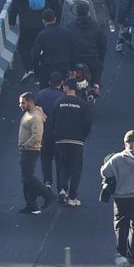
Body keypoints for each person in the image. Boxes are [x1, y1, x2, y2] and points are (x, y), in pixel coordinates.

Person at [100, 130, 134, 267]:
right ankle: (133, 253)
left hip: (121, 198)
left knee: (120, 226)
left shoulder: (117, 158)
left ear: (125, 143)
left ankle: (121, 253)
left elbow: (104, 172)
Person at [51, 76, 93, 206]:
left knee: (63, 166)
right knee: (76, 169)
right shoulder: (83, 104)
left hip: (60, 139)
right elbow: (87, 123)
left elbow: (53, 121)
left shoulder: (59, 102)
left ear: (66, 87)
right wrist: (83, 135)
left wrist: (55, 135)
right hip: (77, 140)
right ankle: (72, 197)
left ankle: (63, 189)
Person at [17, 92, 56, 213]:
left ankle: (47, 194)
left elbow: (37, 136)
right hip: (27, 150)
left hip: (30, 150)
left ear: (30, 102)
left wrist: (25, 145)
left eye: (23, 102)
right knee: (27, 178)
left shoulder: (35, 117)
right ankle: (31, 204)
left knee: (27, 178)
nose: (20, 105)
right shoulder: (31, 113)